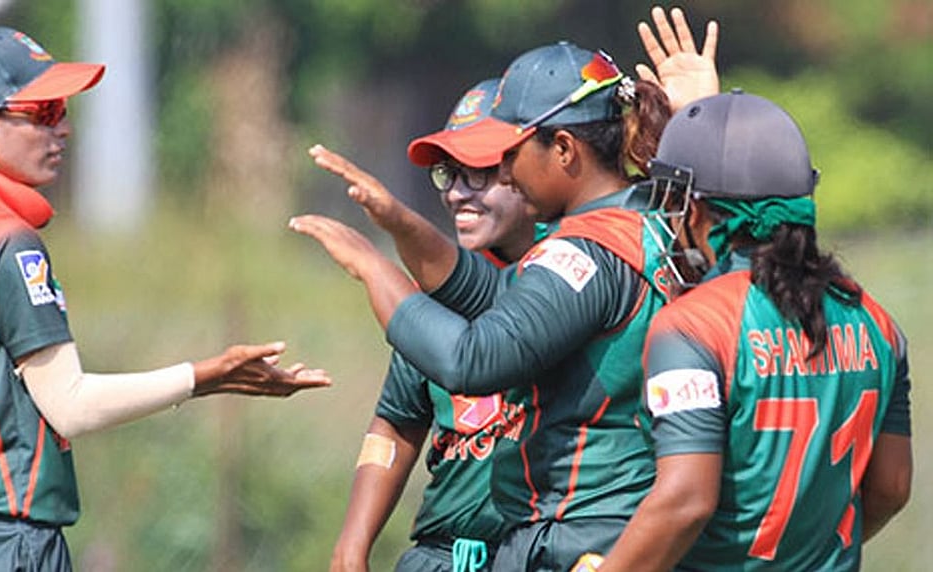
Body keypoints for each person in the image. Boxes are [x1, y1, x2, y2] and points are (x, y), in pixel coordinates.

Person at [293, 10, 718, 569]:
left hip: (578, 540)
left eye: (510, 155)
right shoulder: (658, 218)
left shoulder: (587, 251)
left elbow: (473, 358)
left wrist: (374, 269)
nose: (507, 173)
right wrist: (400, 226)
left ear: (563, 149)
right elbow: (491, 293)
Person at [0, 27, 329, 570]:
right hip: (2, 545)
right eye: (45, 112)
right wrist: (207, 376)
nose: (63, 129)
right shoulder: (6, 242)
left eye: (62, 111)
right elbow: (70, 405)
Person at [589, 92, 912, 571]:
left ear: (694, 210)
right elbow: (891, 487)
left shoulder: (692, 325)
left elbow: (685, 501)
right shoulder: (876, 321)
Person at [328, 78, 543, 572]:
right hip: (442, 556)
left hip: (538, 556)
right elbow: (398, 420)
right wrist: (351, 548)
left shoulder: (580, 284)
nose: (459, 194)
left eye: (480, 173)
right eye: (450, 174)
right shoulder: (434, 297)